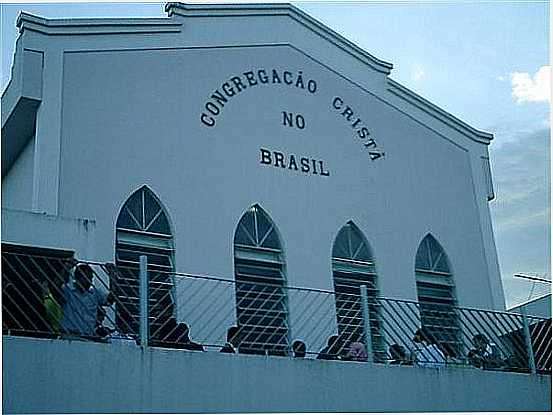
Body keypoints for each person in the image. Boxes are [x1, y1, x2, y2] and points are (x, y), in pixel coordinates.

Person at [59, 263, 114, 338]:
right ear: (78, 278)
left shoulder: (95, 293)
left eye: (91, 278)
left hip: (87, 336)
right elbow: (55, 287)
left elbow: (110, 300)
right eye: (86, 278)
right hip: (69, 335)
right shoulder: (68, 290)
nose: (89, 281)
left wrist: (112, 276)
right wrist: (66, 269)